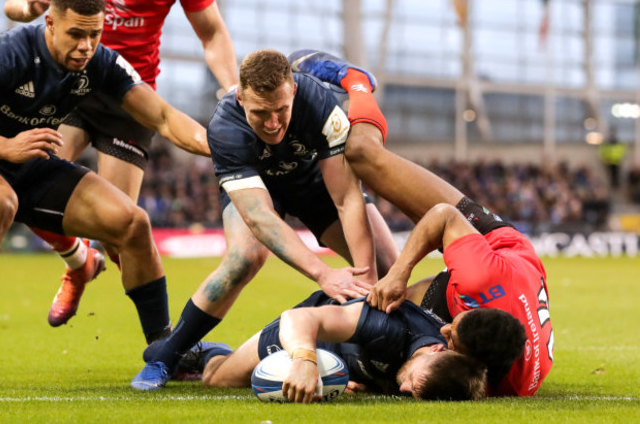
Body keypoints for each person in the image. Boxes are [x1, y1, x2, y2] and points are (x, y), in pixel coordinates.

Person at [130, 49, 400, 390]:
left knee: (387, 265)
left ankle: (382, 356)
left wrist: (365, 285)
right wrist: (324, 273)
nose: (272, 124)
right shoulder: (225, 126)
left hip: (312, 182)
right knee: (245, 257)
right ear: (241, 97)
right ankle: (166, 355)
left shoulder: (320, 103)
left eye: (281, 110)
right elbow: (259, 216)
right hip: (258, 186)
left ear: (294, 93)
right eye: (260, 113)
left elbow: (346, 198)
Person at [289, 50, 554, 396]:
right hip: (491, 244)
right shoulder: (479, 278)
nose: (444, 334)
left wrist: (378, 382)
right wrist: (401, 272)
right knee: (362, 155)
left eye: (453, 341)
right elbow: (443, 216)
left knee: (380, 308)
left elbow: (443, 372)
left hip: (492, 294)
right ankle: (357, 83)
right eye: (452, 332)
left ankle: (329, 351)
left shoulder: (508, 385)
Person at [3, 0, 238, 327]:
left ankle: (164, 342)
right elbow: (15, 1)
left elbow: (212, 31)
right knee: (28, 183)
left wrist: (233, 93)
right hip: (67, 83)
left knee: (120, 229)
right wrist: (26, 9)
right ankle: (78, 262)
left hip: (129, 94)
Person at [198, 291, 491, 402]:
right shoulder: (389, 328)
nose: (404, 390)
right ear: (438, 350)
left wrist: (371, 384)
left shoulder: (438, 376)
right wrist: (304, 360)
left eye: (412, 392)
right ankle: (203, 353)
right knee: (217, 380)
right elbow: (299, 318)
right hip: (310, 329)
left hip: (343, 358)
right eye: (413, 381)